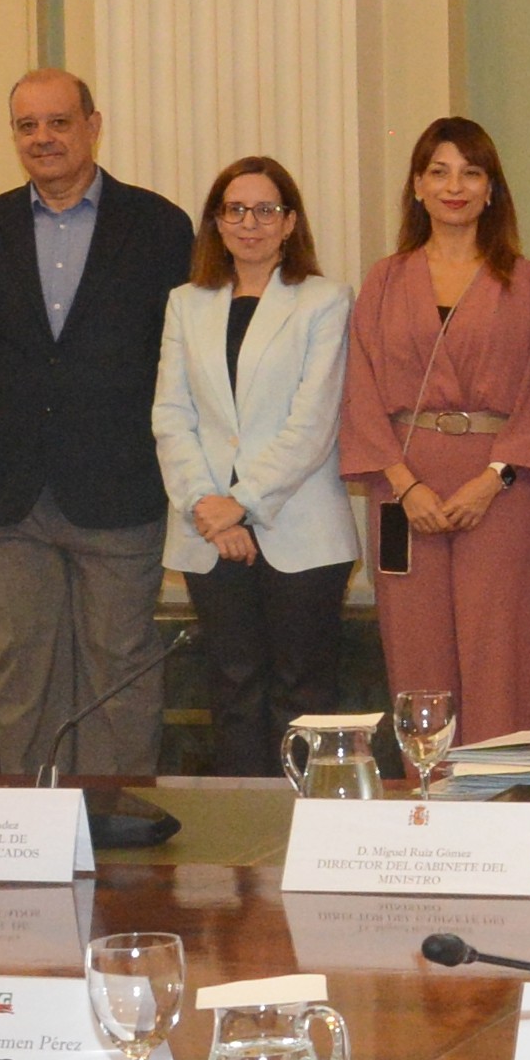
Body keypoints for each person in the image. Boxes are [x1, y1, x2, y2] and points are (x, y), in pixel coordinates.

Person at [0, 70, 197, 777]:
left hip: (121, 487)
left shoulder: (160, 226)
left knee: (121, 666)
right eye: (27, 126)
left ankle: (118, 818)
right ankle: (33, 820)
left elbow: (183, 363)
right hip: (8, 495)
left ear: (92, 125)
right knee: (24, 666)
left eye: (58, 122)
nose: (43, 138)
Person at [339, 118, 530, 744]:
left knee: (501, 652)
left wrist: (492, 480)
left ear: (492, 189)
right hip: (403, 486)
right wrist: (405, 485)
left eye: (471, 172)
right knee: (416, 656)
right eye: (438, 172)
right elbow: (359, 388)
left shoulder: (526, 280)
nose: (454, 186)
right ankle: (429, 792)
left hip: (501, 488)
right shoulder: (385, 279)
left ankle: (499, 792)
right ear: (417, 186)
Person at [151, 158, 356, 777]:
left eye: (266, 210)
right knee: (232, 691)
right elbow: (171, 414)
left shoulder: (324, 299)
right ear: (216, 222)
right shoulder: (186, 303)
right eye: (235, 210)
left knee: (303, 693)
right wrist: (207, 506)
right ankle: (243, 829)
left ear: (290, 222)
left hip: (301, 527)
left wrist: (240, 503)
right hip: (209, 529)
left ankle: (305, 825)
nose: (250, 223)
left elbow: (312, 422)